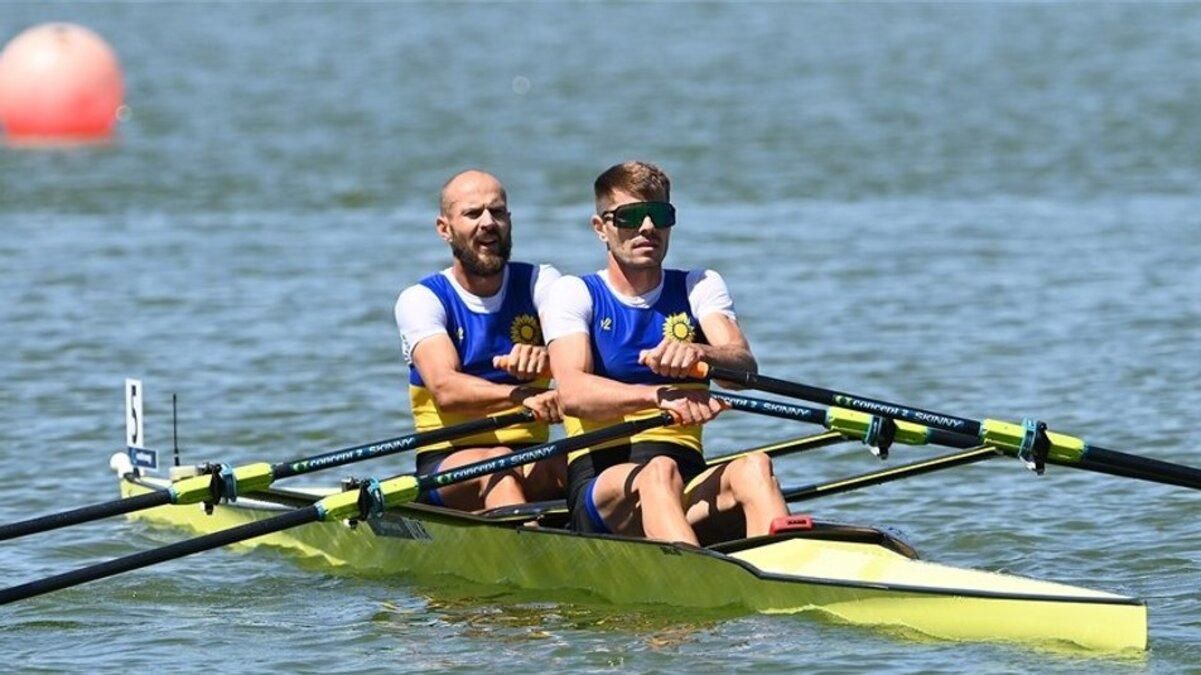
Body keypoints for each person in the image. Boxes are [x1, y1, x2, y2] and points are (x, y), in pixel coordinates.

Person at [541, 161, 788, 545]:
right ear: (600, 228)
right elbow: (572, 393)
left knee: (754, 467)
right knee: (659, 472)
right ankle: (696, 571)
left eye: (659, 215)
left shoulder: (699, 286)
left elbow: (743, 368)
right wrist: (659, 396)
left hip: (686, 474)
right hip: (603, 483)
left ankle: (785, 562)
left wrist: (700, 353)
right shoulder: (575, 293)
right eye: (630, 216)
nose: (647, 227)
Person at [395, 169, 565, 511]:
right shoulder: (422, 299)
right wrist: (521, 395)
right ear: (444, 229)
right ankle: (525, 539)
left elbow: (580, 354)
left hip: (530, 453)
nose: (488, 222)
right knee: (499, 463)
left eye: (497, 212)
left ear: (509, 221)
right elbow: (446, 389)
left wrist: (550, 360)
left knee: (595, 467)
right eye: (473, 213)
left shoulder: (542, 283)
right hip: (449, 460)